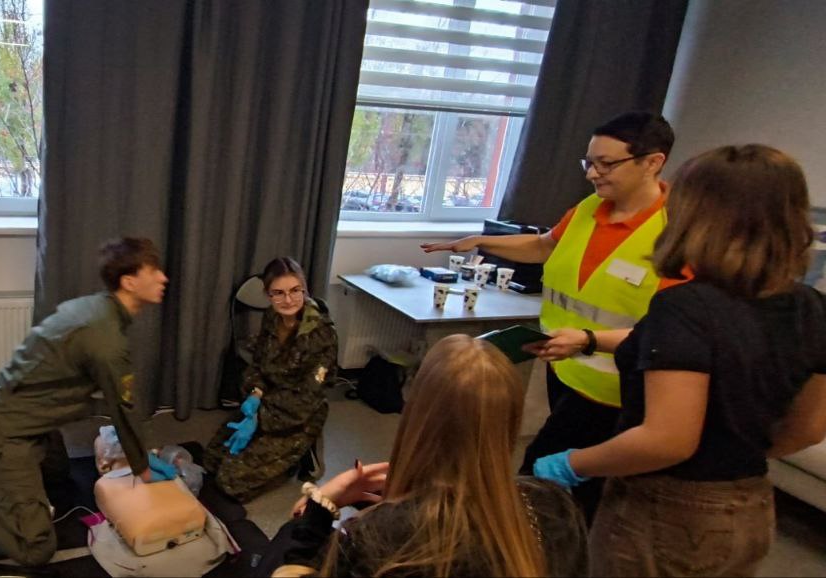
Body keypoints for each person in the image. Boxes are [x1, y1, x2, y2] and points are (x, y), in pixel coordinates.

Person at [531, 145, 826, 577]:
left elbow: (667, 441)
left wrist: (572, 463)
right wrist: (728, 457)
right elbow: (810, 427)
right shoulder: (811, 306)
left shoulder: (686, 307)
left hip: (668, 514)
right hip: (750, 506)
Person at [421, 111, 686, 521]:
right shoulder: (589, 208)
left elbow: (670, 331)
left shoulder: (675, 232)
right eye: (589, 162)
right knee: (572, 485)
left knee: (546, 474)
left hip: (617, 390)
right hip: (565, 368)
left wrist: (588, 339)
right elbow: (545, 246)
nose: (593, 174)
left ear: (653, 162)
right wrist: (479, 241)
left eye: (606, 164)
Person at [0, 237, 178, 566]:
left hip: (11, 409)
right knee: (36, 549)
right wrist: (142, 466)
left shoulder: (93, 308)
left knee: (59, 480)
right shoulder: (106, 340)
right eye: (153, 271)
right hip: (9, 433)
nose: (163, 278)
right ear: (129, 282)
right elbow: (124, 409)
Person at [262, 335, 587, 577]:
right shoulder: (555, 509)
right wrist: (407, 505)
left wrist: (320, 507)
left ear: (418, 417)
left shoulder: (375, 538)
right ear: (509, 421)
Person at [202, 257, 338, 502]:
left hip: (298, 417)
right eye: (278, 293)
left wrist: (259, 418)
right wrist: (255, 394)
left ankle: (298, 458)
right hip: (267, 401)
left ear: (304, 289)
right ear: (268, 294)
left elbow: (305, 399)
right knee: (211, 459)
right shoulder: (272, 318)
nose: (288, 300)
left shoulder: (321, 334)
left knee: (229, 481)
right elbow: (259, 364)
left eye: (295, 290)